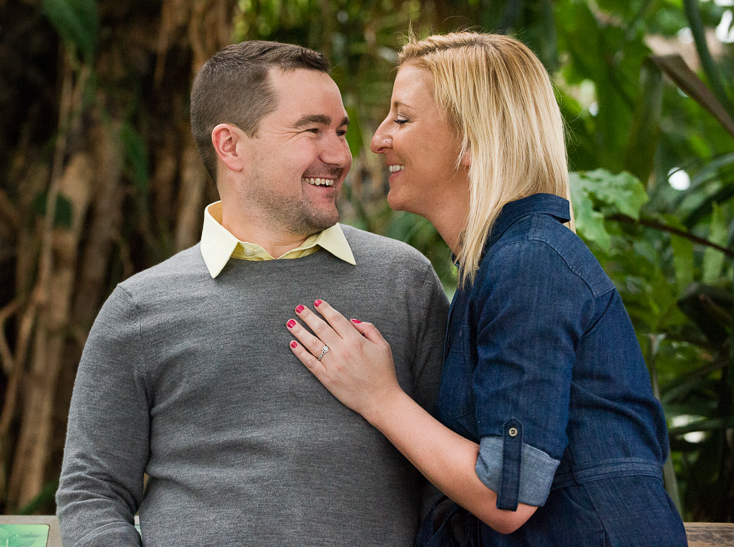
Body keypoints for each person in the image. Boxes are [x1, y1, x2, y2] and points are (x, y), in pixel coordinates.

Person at [286, 32, 688, 546]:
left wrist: (378, 396)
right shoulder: (498, 266)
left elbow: (509, 495)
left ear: (475, 139)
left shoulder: (529, 262)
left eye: (403, 118)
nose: (378, 138)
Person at [56, 40, 449, 546]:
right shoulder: (139, 309)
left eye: (341, 131)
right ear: (231, 146)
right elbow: (93, 491)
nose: (340, 155)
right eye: (312, 130)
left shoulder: (404, 281)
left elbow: (452, 479)